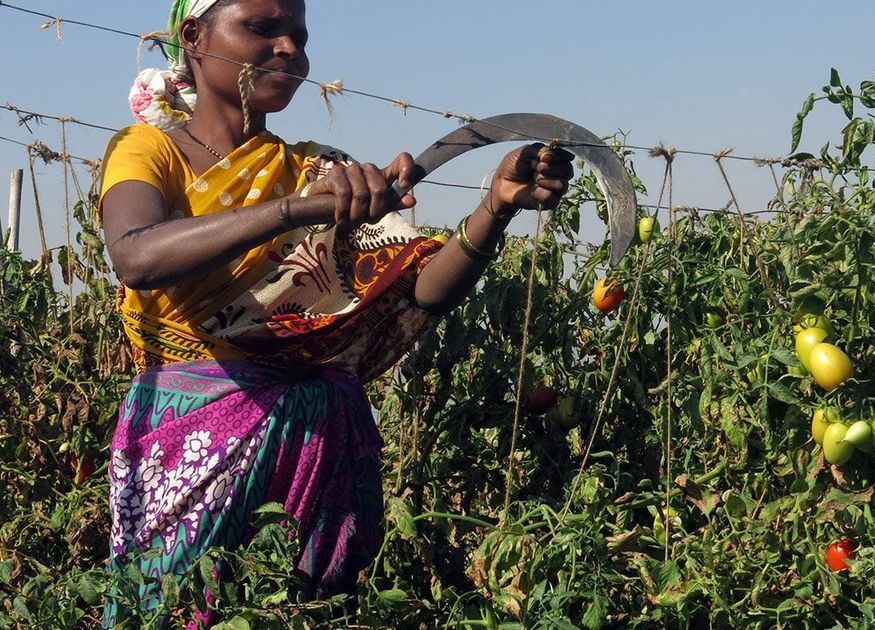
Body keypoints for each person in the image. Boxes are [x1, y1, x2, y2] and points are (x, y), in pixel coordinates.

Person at [99, 0, 574, 623]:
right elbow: (136, 255)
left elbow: (417, 296)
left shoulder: (315, 168)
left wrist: (495, 207)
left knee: (321, 613)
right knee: (174, 609)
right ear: (194, 36)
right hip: (195, 429)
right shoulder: (151, 151)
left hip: (324, 439)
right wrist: (297, 210)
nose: (288, 49)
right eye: (262, 29)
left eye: (299, 36)